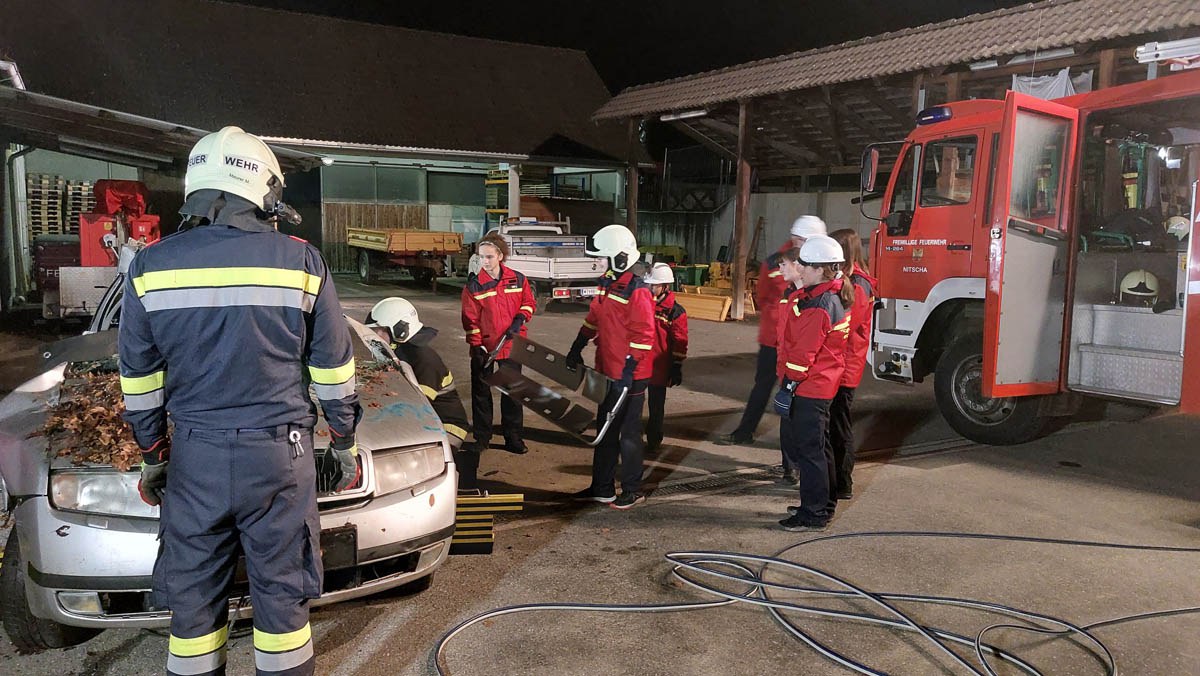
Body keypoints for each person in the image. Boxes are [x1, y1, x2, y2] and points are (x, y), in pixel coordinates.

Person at [119, 126, 360, 676]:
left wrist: (154, 454)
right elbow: (333, 369)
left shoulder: (150, 266)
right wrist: (343, 440)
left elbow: (139, 377)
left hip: (195, 459)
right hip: (280, 459)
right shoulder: (302, 262)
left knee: (193, 608)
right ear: (261, 188)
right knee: (283, 601)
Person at [716, 215, 827, 485]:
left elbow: (766, 296)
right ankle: (788, 460)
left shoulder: (792, 262)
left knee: (780, 394)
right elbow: (765, 296)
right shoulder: (793, 263)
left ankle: (779, 454)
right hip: (781, 340)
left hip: (789, 340)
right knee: (782, 395)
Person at [565, 224, 655, 509]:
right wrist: (578, 344)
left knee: (628, 433)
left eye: (603, 258)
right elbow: (594, 318)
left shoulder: (637, 291)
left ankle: (632, 489)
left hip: (631, 376)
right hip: (607, 370)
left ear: (620, 257)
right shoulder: (607, 283)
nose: (599, 263)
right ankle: (602, 487)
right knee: (605, 431)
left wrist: (628, 371)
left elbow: (644, 336)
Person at [773, 235, 855, 532]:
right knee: (821, 449)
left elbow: (803, 354)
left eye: (805, 265)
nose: (800, 269)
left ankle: (814, 513)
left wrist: (788, 386)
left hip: (810, 387)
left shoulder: (821, 304)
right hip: (821, 385)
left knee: (811, 453)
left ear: (820, 269)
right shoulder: (828, 296)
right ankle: (823, 504)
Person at [365, 297, 477, 488]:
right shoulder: (404, 350)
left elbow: (416, 406)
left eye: (378, 331)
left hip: (447, 426)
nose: (374, 337)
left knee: (409, 463)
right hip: (429, 419)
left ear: (399, 330)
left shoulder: (424, 360)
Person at [460, 234, 536, 454]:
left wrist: (521, 318)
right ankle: (482, 438)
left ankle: (513, 438)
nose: (485, 261)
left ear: (500, 256)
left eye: (489, 257)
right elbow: (470, 319)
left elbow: (528, 303)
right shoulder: (474, 286)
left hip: (511, 345)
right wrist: (477, 345)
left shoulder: (518, 279)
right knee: (481, 393)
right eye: (481, 257)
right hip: (484, 347)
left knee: (513, 393)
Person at [827, 229, 877, 500]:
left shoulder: (858, 283)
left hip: (845, 367)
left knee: (839, 426)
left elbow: (848, 323)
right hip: (842, 364)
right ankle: (836, 480)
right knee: (836, 424)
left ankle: (842, 482)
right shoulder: (853, 279)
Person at [642, 262, 689, 451]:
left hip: (659, 366)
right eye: (650, 284)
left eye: (654, 285)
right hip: (640, 362)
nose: (651, 288)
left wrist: (676, 366)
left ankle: (654, 439)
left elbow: (680, 341)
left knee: (656, 405)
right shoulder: (643, 303)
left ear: (665, 286)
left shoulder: (675, 312)